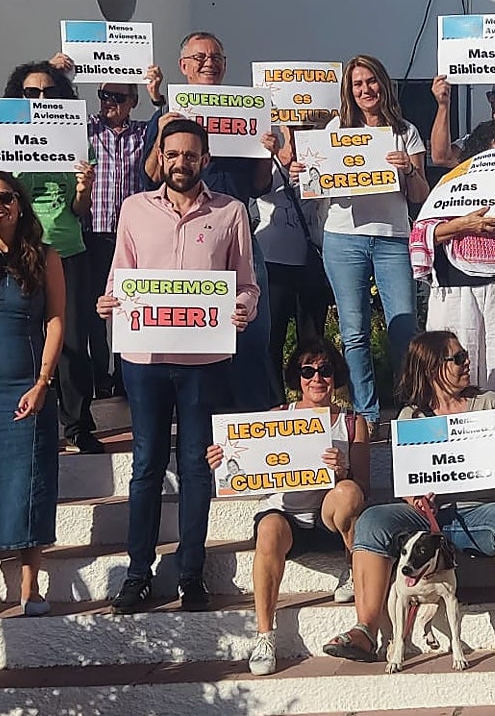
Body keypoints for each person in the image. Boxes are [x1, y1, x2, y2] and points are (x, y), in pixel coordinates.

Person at [97, 118, 259, 614]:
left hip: (204, 362)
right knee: (146, 467)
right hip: (143, 360)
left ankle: (191, 574)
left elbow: (247, 284)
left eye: (190, 155)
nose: (181, 163)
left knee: (194, 467)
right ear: (160, 158)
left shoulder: (230, 211)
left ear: (205, 159)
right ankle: (138, 574)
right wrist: (108, 301)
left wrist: (242, 308)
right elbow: (120, 275)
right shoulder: (134, 208)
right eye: (172, 154)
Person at [324, 331, 495, 663]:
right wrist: (412, 497)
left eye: (465, 356)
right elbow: (405, 482)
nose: (466, 362)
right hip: (427, 514)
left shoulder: (488, 404)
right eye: (458, 358)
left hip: (482, 509)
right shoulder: (411, 417)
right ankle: (364, 630)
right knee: (373, 520)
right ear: (432, 368)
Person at [205, 339, 369, 675]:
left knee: (349, 491)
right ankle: (264, 636)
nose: (317, 378)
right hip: (285, 519)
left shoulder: (352, 422)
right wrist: (222, 459)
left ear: (335, 375)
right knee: (268, 528)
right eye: (307, 371)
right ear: (297, 378)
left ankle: (353, 570)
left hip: (331, 521)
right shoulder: (277, 417)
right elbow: (245, 465)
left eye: (325, 370)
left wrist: (343, 471)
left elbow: (364, 486)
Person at [286, 55, 429, 436]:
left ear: (383, 83)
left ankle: (410, 407)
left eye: (371, 81)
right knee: (354, 332)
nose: (366, 89)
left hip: (392, 237)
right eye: (357, 84)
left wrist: (408, 169)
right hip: (343, 237)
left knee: (404, 328)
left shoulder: (405, 131)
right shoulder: (335, 129)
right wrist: (302, 173)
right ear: (349, 91)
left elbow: (420, 195)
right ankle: (367, 414)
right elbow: (316, 184)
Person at [140, 32, 279, 413]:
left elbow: (260, 186)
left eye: (216, 57)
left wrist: (265, 153)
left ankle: (250, 419)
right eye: (200, 57)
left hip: (238, 234)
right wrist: (161, 132)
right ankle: (202, 420)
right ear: (183, 66)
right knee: (194, 338)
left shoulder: (248, 114)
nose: (209, 63)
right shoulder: (167, 117)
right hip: (184, 238)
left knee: (251, 333)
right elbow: (148, 179)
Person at [0, 60, 99, 453]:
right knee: (14, 334)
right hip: (11, 248)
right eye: (31, 92)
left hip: (65, 247)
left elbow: (78, 209)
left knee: (72, 341)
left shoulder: (76, 141)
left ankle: (77, 424)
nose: (41, 98)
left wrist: (84, 190)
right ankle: (20, 413)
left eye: (49, 92)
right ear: (17, 96)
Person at [0, 173, 65, 620]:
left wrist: (43, 381)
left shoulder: (44, 256)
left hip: (27, 384)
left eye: (5, 197)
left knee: (30, 481)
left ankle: (30, 584)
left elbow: (57, 320)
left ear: (20, 204)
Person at [410, 125, 495, 437]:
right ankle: (454, 448)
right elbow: (422, 234)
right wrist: (464, 224)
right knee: (452, 371)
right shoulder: (447, 188)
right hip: (454, 294)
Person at [84, 79, 158, 399]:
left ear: (133, 101)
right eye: (104, 94)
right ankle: (100, 375)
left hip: (132, 235)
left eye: (117, 96)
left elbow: (164, 124)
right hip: (94, 230)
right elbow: (52, 117)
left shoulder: (142, 133)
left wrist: (158, 96)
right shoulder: (85, 128)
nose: (109, 101)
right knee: (96, 309)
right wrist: (61, 73)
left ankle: (123, 373)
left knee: (129, 304)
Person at [258, 119, 334, 402]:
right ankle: (275, 402)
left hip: (310, 260)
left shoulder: (322, 157)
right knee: (272, 337)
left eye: (305, 128)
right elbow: (257, 188)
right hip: (273, 259)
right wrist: (274, 155)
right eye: (291, 127)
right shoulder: (265, 155)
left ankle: (313, 398)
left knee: (313, 339)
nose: (297, 134)